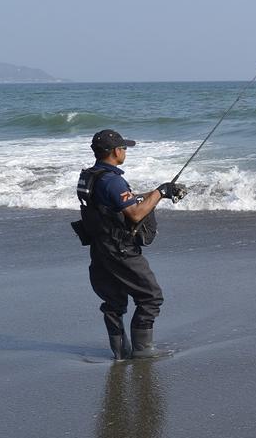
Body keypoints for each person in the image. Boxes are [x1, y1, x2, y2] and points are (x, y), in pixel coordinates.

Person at [76, 129, 186, 360]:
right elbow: (135, 214)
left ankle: (120, 352)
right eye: (124, 147)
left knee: (113, 301)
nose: (125, 151)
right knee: (151, 296)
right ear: (116, 151)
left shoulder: (92, 175)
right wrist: (160, 192)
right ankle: (143, 350)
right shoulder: (112, 180)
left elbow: (124, 199)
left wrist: (159, 194)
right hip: (120, 249)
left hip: (100, 248)